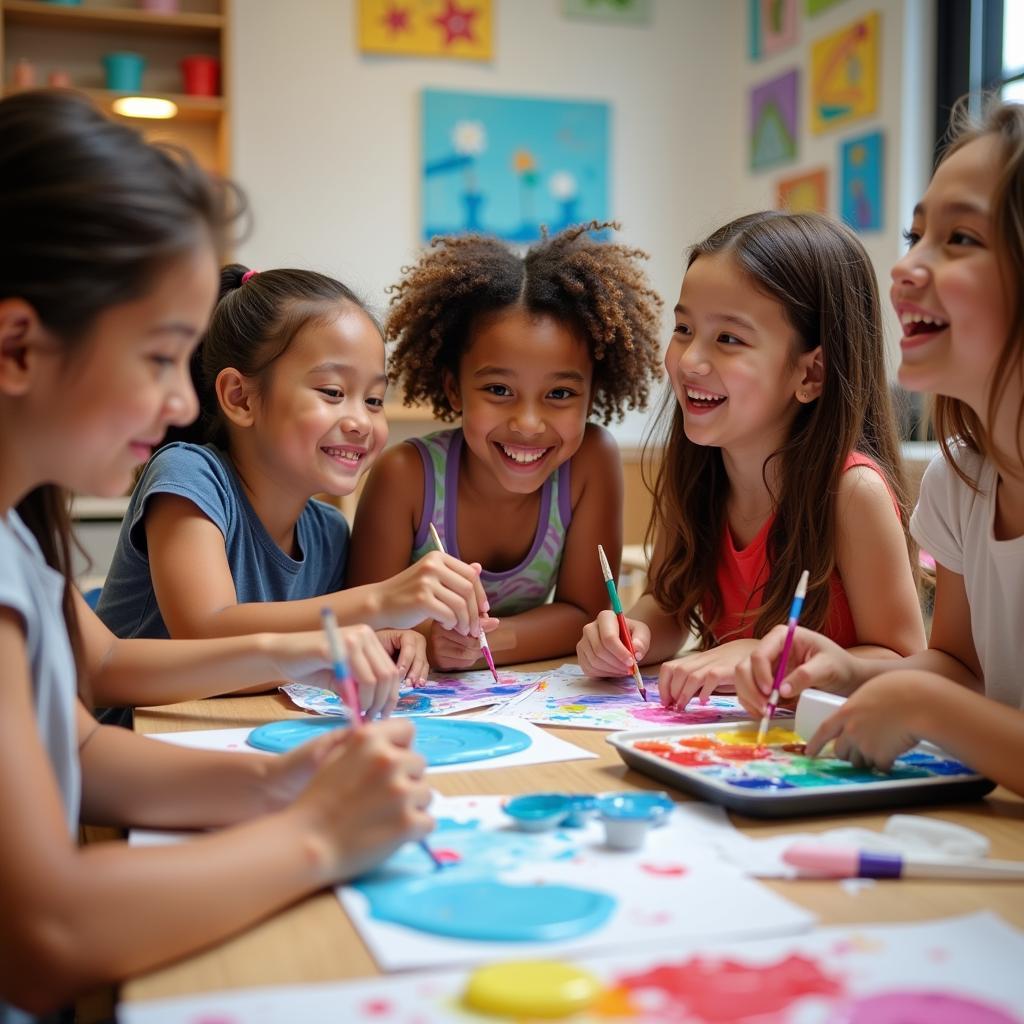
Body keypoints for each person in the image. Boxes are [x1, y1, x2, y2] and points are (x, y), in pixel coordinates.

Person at [0, 90, 431, 1017]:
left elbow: (87, 720)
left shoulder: (18, 527)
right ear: (17, 345)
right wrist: (314, 836)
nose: (178, 402)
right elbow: (43, 943)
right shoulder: (175, 480)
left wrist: (278, 781)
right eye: (161, 359)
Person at [734, 100, 1024, 796]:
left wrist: (923, 707)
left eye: (959, 239)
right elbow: (958, 664)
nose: (904, 267)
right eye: (915, 233)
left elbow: (945, 696)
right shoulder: (963, 480)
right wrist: (849, 669)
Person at [96, 262, 501, 695]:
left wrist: (379, 641)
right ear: (240, 398)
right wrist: (381, 602)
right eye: (332, 392)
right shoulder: (189, 477)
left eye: (374, 399)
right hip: (137, 736)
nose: (361, 421)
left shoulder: (328, 533)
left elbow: (300, 651)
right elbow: (204, 631)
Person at [578, 211, 925, 706]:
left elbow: (907, 665)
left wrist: (761, 653)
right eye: (683, 328)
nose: (690, 360)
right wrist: (631, 633)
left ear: (812, 374)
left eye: (729, 339)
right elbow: (671, 606)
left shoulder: (853, 494)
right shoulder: (703, 468)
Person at [348, 223, 664, 668]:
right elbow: (365, 617)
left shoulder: (591, 462)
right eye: (498, 390)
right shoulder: (406, 476)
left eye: (559, 394)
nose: (529, 424)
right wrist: (427, 639)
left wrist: (483, 646)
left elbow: (587, 617)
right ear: (454, 389)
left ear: (592, 395)